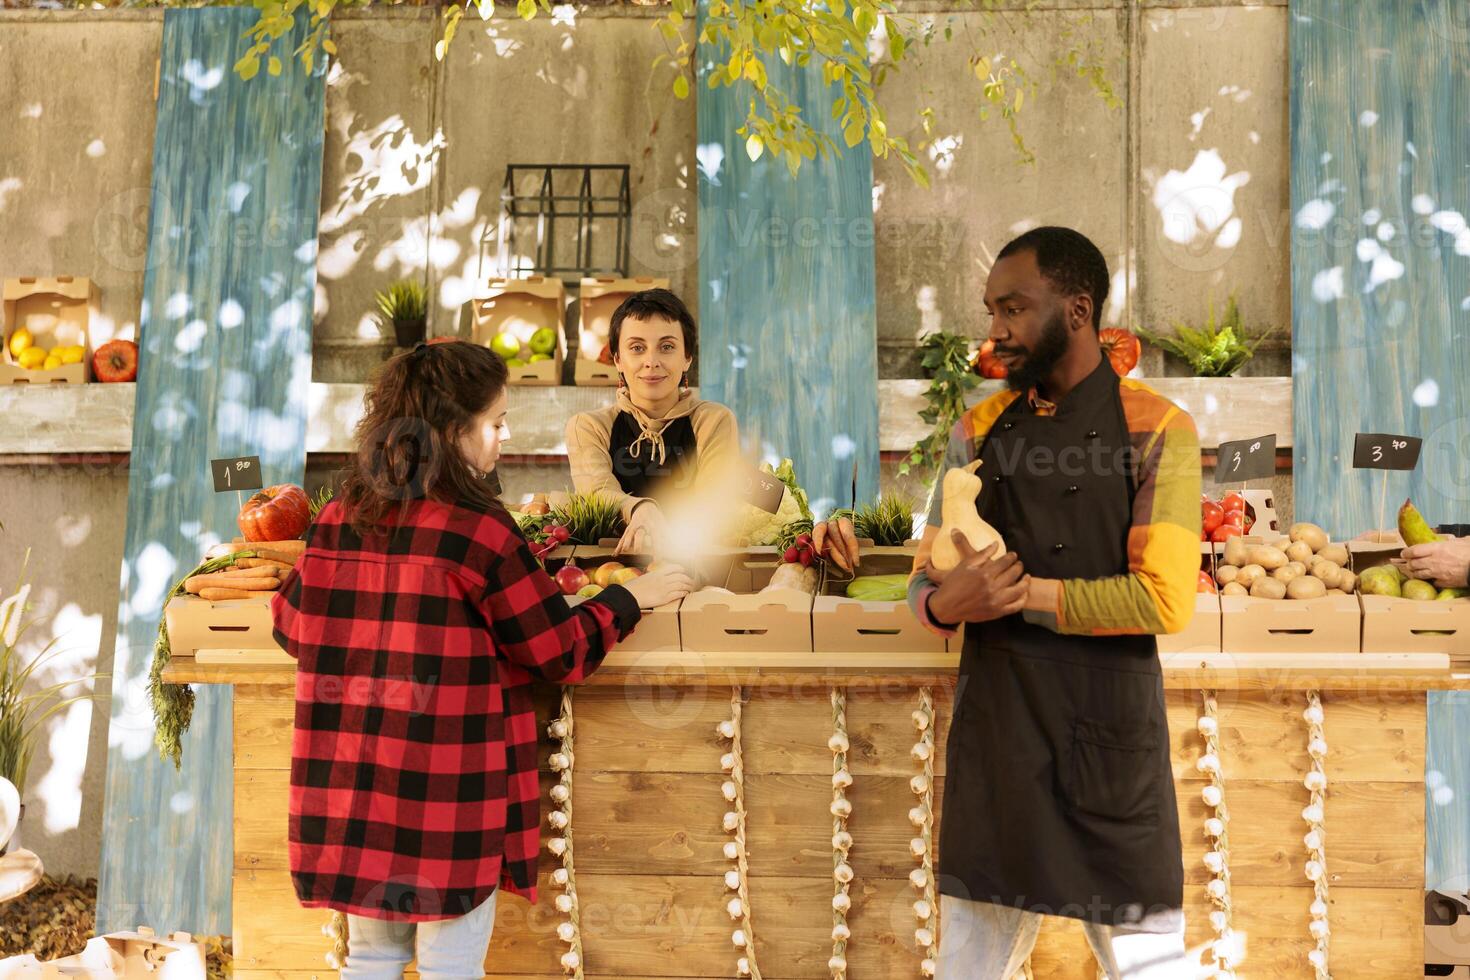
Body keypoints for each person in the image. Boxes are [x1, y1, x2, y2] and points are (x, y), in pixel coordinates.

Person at [270, 342, 692, 980]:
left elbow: (291, 624)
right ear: (449, 434)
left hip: (356, 794)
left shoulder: (339, 518)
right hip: (448, 798)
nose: (505, 434)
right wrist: (630, 597)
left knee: (369, 960)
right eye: (494, 423)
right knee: (451, 969)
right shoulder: (483, 533)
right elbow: (559, 650)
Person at [906, 227, 1201, 979]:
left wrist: (1016, 593)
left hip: (1109, 748)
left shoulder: (1159, 429)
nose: (996, 330)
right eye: (990, 310)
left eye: (1013, 308)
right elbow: (922, 582)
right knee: (966, 969)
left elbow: (1164, 600)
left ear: (1077, 310)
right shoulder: (975, 429)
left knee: (1151, 968)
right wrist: (947, 606)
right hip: (1000, 744)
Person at [566, 287, 859, 566]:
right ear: (617, 359)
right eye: (637, 348)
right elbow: (597, 490)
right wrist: (641, 508)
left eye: (667, 347)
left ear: (687, 358)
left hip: (695, 567)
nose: (651, 361)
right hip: (612, 571)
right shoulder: (589, 426)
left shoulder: (712, 419)